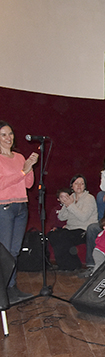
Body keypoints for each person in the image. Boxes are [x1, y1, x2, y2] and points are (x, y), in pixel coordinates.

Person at [0, 121, 38, 304]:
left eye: (10, 134)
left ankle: (12, 287)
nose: (9, 138)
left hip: (21, 207)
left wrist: (29, 167)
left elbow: (29, 184)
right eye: (4, 135)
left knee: (15, 251)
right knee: (5, 251)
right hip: (4, 208)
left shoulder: (19, 156)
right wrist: (22, 172)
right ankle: (3, 290)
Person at [48, 174, 98, 271]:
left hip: (84, 229)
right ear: (72, 186)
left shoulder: (89, 198)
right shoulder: (71, 197)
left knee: (64, 237)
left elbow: (83, 217)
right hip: (70, 228)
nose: (79, 186)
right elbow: (61, 217)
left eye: (82, 184)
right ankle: (64, 265)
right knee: (53, 235)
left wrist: (70, 205)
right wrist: (65, 204)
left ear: (85, 186)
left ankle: (73, 265)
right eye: (76, 183)